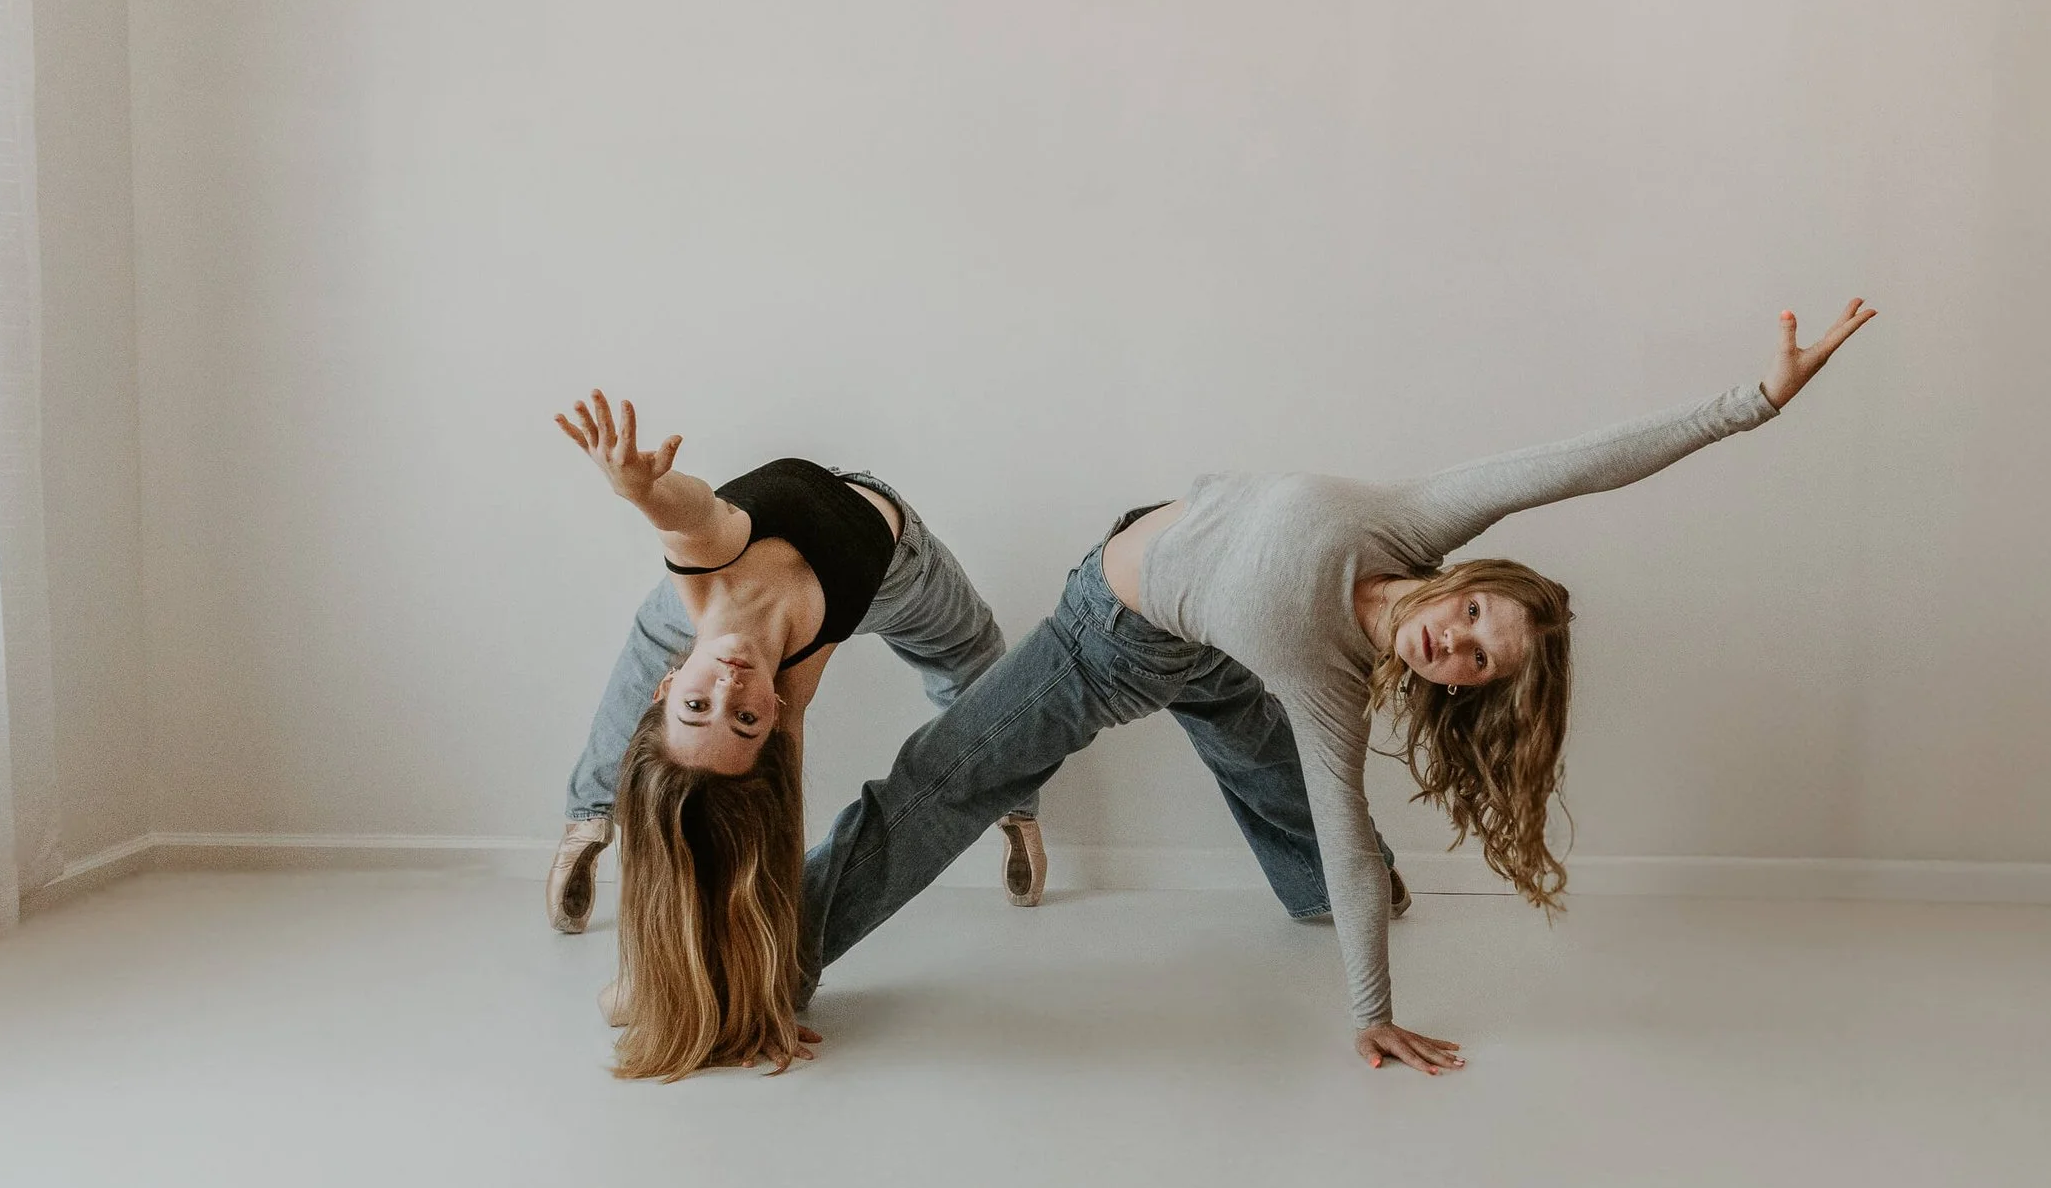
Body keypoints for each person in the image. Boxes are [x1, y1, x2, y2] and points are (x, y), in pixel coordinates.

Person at [792, 301, 1878, 1075]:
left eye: (1476, 662)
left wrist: (1375, 1013)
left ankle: (765, 965)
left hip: (1115, 636)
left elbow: (1348, 819)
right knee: (1242, 746)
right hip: (1189, 601)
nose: (1453, 647)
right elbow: (1577, 460)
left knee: (942, 782)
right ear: (1462, 579)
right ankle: (1310, 890)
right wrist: (1751, 402)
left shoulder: (1326, 675)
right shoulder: (1411, 520)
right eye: (1470, 618)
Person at [549, 390, 1047, 1080]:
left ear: (672, 686)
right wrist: (764, 987)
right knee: (978, 665)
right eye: (744, 716)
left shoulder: (704, 568)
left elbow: (693, 512)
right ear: (773, 711)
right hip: (898, 575)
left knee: (650, 641)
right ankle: (1016, 800)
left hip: (743, 595)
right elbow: (781, 832)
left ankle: (587, 817)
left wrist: (642, 489)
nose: (727, 684)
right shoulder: (791, 691)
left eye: (696, 703)